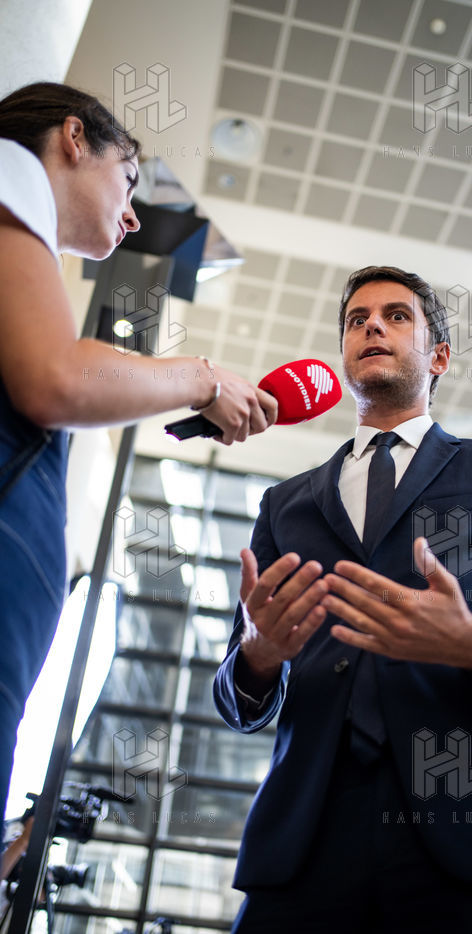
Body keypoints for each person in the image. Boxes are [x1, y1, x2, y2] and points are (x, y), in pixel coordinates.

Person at [213, 265, 472, 933]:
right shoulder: (284, 503)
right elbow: (237, 696)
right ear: (344, 355)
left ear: (440, 357)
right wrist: (257, 656)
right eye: (356, 319)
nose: (371, 325)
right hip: (308, 849)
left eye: (396, 316)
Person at [0, 81, 277, 825]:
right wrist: (202, 378)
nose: (131, 214)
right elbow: (57, 380)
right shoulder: (9, 173)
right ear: (73, 138)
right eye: (127, 178)